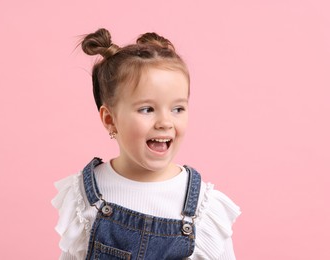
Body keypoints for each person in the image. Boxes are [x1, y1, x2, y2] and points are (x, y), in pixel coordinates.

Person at [52, 28, 241, 259]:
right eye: (147, 109)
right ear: (110, 120)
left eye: (177, 109)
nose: (165, 122)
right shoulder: (85, 195)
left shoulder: (203, 206)